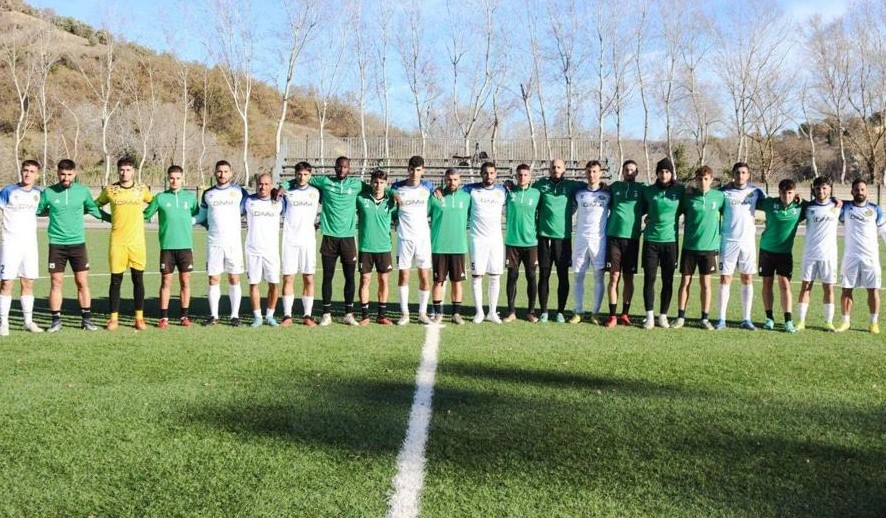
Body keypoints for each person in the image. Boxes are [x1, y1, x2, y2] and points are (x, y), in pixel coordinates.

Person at [36, 159, 104, 332]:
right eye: (62, 174)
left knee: (82, 281)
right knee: (56, 282)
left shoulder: (83, 191)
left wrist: (113, 219)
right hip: (56, 244)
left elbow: (93, 209)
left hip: (77, 244)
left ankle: (86, 320)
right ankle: (55, 321)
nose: (66, 178)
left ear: (75, 174)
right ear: (57, 173)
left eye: (69, 174)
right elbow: (38, 210)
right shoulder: (49, 192)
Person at [94, 157, 153, 330]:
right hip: (117, 242)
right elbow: (94, 206)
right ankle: (113, 319)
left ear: (133, 171)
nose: (124, 173)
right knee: (115, 281)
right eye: (121, 169)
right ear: (117, 170)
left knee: (138, 280)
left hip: (137, 242)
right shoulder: (110, 190)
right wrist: (107, 217)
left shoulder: (142, 189)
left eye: (128, 170)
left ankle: (139, 318)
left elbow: (155, 203)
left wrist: (145, 216)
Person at [309, 156, 365, 326]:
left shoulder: (357, 185)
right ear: (335, 167)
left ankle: (348, 314)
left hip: (348, 238)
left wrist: (393, 193)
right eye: (339, 166)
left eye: (345, 167)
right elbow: (302, 177)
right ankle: (326, 314)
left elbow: (379, 188)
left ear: (349, 168)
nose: (342, 169)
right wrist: (283, 186)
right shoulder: (325, 181)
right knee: (327, 276)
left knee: (350, 277)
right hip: (329, 237)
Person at [143, 165, 199, 328]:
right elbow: (145, 215)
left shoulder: (190, 198)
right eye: (172, 178)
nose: (174, 181)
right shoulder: (160, 198)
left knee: (185, 281)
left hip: (185, 247)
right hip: (167, 247)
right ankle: (164, 317)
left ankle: (184, 316)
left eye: (178, 178)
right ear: (168, 179)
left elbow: (198, 215)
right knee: (166, 281)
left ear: (183, 179)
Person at [195, 160, 249, 327]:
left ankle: (234, 316)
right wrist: (183, 220)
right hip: (214, 243)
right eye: (219, 171)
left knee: (234, 278)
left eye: (225, 171)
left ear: (231, 173)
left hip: (233, 243)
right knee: (213, 279)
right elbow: (201, 216)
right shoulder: (208, 194)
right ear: (215, 173)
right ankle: (214, 315)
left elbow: (250, 208)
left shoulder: (239, 191)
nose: (222, 174)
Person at [673, 165, 725, 330]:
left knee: (706, 283)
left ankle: (704, 318)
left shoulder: (719, 196)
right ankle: (680, 317)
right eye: (700, 179)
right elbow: (674, 210)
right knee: (685, 281)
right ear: (695, 180)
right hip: (689, 246)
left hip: (709, 248)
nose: (703, 182)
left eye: (706, 179)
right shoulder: (687, 196)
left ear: (711, 180)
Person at [717, 162, 766, 330]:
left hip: (747, 242)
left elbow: (776, 202)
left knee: (747, 278)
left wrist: (796, 197)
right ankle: (721, 319)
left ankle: (747, 319)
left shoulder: (756, 191)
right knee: (725, 279)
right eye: (737, 172)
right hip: (728, 241)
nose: (740, 175)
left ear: (748, 174)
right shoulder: (723, 192)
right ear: (733, 174)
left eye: (744, 172)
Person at [533, 158, 583, 322]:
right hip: (544, 237)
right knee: (544, 275)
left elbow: (591, 186)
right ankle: (544, 311)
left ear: (564, 169)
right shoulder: (540, 184)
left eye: (559, 167)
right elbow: (526, 191)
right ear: (549, 169)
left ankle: (560, 311)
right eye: (553, 167)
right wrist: (509, 184)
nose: (556, 169)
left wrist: (603, 185)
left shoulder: (571, 185)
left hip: (563, 238)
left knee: (563, 276)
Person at [835, 179, 886, 334]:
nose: (860, 192)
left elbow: (884, 230)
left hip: (870, 257)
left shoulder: (875, 209)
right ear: (852, 192)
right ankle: (845, 322)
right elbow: (829, 202)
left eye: (862, 189)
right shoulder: (845, 208)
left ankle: (873, 323)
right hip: (850, 257)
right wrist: (836, 199)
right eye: (857, 190)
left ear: (867, 191)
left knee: (873, 290)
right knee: (846, 289)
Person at [0, 160, 44, 336]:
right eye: (26, 170)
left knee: (28, 282)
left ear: (37, 175)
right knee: (6, 282)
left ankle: (28, 322)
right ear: (21, 171)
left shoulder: (39, 193)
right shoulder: (8, 191)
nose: (28, 174)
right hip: (10, 243)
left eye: (32, 171)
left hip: (30, 244)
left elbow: (47, 210)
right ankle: (4, 323)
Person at [641, 157, 685, 329]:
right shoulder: (648, 191)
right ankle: (650, 316)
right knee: (649, 279)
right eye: (661, 172)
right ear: (657, 173)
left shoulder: (680, 190)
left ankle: (663, 316)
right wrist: (646, 218)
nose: (664, 175)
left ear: (671, 173)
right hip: (650, 241)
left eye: (667, 172)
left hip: (670, 242)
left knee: (668, 280)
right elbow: (641, 209)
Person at [391, 155, 435, 325]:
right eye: (411, 170)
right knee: (404, 275)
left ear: (423, 170)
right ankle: (405, 314)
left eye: (418, 170)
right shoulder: (398, 187)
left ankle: (422, 313)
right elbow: (388, 190)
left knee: (424, 276)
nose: (414, 173)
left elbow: (438, 193)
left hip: (423, 239)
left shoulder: (428, 187)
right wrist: (392, 193)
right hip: (404, 238)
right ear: (407, 169)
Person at [757, 179, 804, 333]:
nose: (786, 196)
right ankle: (769, 318)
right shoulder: (770, 203)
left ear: (794, 193)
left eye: (790, 193)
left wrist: (836, 200)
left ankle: (788, 320)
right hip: (766, 251)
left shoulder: (801, 206)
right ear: (779, 192)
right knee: (767, 283)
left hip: (785, 253)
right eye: (783, 192)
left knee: (785, 285)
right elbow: (750, 199)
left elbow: (820, 202)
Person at [604, 160, 645, 328]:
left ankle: (625, 314)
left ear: (637, 172)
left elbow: (653, 205)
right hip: (613, 237)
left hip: (632, 238)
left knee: (628, 277)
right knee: (614, 276)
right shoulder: (614, 187)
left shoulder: (642, 189)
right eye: (627, 170)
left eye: (632, 170)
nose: (629, 173)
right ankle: (612, 315)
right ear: (622, 172)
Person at [796, 177, 840, 332]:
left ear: (830, 189)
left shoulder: (838, 205)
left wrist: (838, 200)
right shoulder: (807, 207)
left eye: (824, 188)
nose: (821, 191)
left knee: (829, 288)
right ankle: (801, 321)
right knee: (806, 286)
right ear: (813, 190)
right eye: (818, 188)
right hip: (810, 254)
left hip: (829, 255)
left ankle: (829, 322)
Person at [428, 168, 471, 325]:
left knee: (456, 282)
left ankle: (456, 314)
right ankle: (438, 313)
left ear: (460, 180)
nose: (452, 182)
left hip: (458, 247)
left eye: (455, 179)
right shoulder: (435, 197)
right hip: (439, 246)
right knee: (438, 281)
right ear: (445, 180)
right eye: (449, 179)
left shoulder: (466, 197)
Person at [465, 162, 507, 323]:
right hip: (477, 240)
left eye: (491, 173)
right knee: (477, 276)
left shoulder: (502, 191)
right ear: (480, 174)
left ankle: (492, 312)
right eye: (485, 173)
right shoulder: (470, 190)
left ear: (496, 174)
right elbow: (453, 191)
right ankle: (479, 312)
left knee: (495, 276)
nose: (488, 176)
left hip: (495, 240)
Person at [569, 160, 610, 324]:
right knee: (578, 277)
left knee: (599, 277)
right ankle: (578, 311)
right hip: (580, 240)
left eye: (595, 171)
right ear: (585, 173)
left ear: (600, 173)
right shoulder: (579, 193)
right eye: (589, 171)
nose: (592, 175)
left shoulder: (608, 193)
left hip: (599, 241)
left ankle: (595, 313)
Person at [280, 161, 320, 327]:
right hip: (290, 240)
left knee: (308, 277)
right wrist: (283, 186)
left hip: (308, 241)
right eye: (299, 174)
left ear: (310, 175)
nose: (302, 177)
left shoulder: (316, 192)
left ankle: (307, 315)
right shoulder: (287, 192)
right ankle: (287, 315)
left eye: (305, 174)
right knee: (288, 277)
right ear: (295, 174)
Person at [356, 169, 397, 326]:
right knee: (365, 280)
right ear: (370, 182)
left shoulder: (391, 202)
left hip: (384, 247)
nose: (378, 185)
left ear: (386, 184)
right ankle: (365, 315)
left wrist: (393, 193)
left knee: (383, 280)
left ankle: (382, 315)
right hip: (366, 247)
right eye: (375, 182)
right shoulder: (361, 199)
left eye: (381, 182)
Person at [244, 172, 284, 327]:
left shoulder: (279, 202)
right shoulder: (248, 201)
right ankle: (257, 317)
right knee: (254, 283)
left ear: (271, 185)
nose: (263, 187)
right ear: (256, 185)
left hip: (271, 251)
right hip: (253, 250)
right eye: (260, 184)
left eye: (266, 184)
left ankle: (270, 316)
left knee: (274, 283)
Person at [503, 164, 540, 323]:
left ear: (530, 177)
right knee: (512, 276)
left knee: (531, 276)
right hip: (512, 242)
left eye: (525, 175)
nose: (522, 177)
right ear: (516, 176)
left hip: (531, 243)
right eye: (519, 175)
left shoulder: (536, 193)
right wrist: (506, 183)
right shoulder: (508, 192)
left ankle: (531, 312)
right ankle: (511, 311)